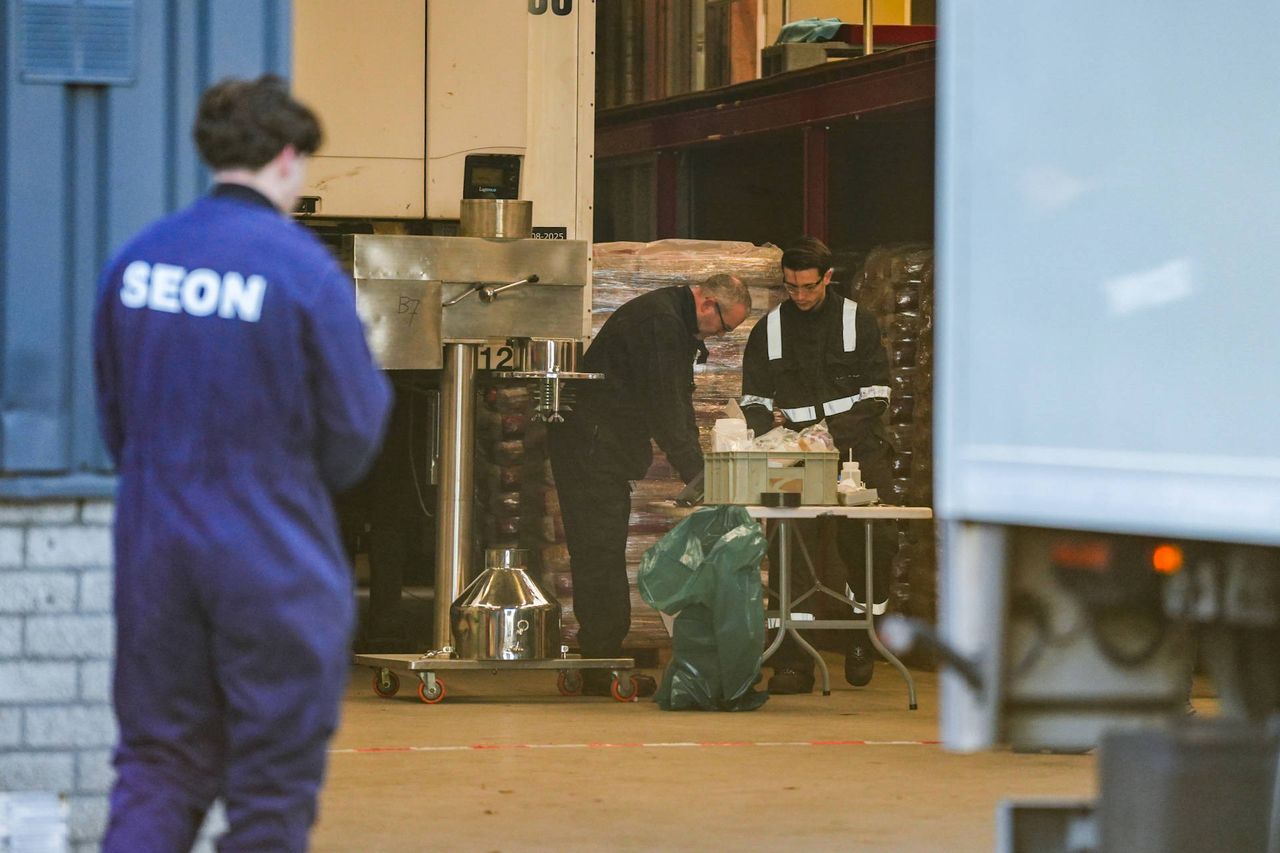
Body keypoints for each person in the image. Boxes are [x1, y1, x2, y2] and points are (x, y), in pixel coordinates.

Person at [92, 75, 391, 851]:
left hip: (154, 547)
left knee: (160, 762)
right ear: (288, 159)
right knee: (271, 786)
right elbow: (356, 432)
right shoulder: (304, 273)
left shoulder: (136, 262)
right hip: (269, 551)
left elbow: (114, 422)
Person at [549, 274, 752, 696]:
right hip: (592, 448)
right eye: (724, 327)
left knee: (598, 550)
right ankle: (601, 667)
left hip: (596, 446)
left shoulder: (666, 318)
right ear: (707, 303)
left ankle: (598, 661)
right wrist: (699, 475)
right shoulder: (660, 324)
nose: (721, 336)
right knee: (600, 551)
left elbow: (670, 402)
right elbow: (667, 405)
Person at [739, 237, 896, 694]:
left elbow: (877, 395)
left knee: (874, 539)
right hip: (792, 453)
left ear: (828, 278)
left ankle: (863, 635)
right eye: (791, 288)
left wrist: (829, 431)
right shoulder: (768, 331)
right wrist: (772, 432)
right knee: (788, 544)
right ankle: (793, 659)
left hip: (856, 450)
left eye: (808, 287)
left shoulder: (856, 322)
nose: (801, 296)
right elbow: (753, 399)